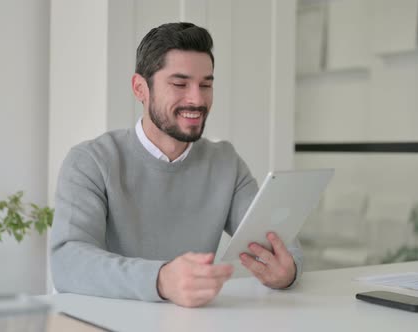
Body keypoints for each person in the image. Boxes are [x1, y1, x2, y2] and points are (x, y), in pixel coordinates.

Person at [50, 22, 303, 308]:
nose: (197, 99)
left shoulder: (226, 163)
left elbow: (278, 239)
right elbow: (66, 261)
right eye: (180, 84)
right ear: (140, 88)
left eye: (206, 84)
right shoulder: (91, 161)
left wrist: (288, 270)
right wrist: (160, 279)